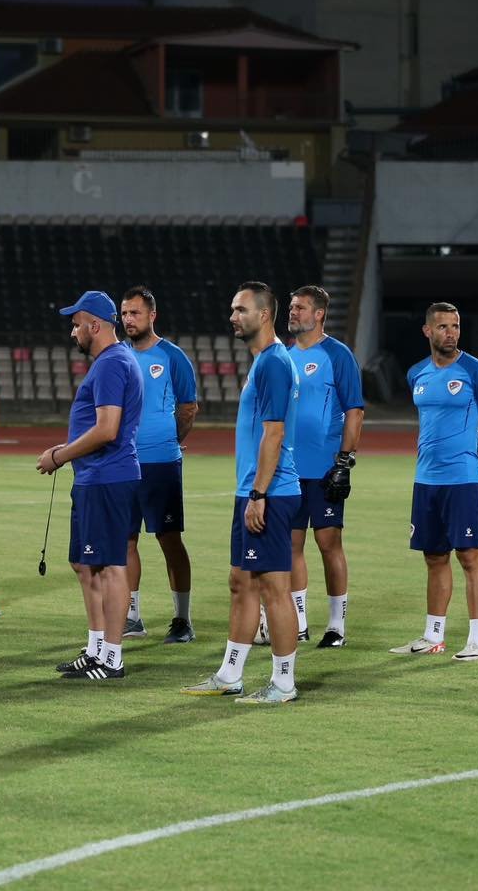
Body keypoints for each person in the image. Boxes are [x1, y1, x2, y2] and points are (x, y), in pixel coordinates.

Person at [183, 281, 303, 704]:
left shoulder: (272, 363)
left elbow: (274, 433)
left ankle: (284, 682)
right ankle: (230, 673)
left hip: (268, 491)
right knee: (242, 581)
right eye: (232, 309)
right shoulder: (265, 361)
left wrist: (258, 494)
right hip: (254, 489)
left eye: (241, 310)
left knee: (274, 586)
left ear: (264, 314)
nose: (233, 316)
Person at [39, 292, 144, 680]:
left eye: (76, 324)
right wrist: (67, 450)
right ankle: (96, 647)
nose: (73, 332)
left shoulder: (113, 364)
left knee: (111, 566)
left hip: (108, 478)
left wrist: (59, 457)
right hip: (94, 477)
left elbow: (107, 429)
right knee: (84, 563)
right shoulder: (111, 362)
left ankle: (112, 657)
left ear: (94, 325)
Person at [390, 303, 478, 662]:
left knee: (470, 557)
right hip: (426, 480)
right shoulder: (416, 374)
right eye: (443, 327)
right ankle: (432, 635)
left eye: (455, 326)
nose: (451, 332)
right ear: (427, 331)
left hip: (463, 480)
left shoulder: (476, 371)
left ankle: (476, 641)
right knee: (434, 557)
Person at [286, 286, 365, 648]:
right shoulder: (284, 356)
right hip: (288, 468)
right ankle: (298, 622)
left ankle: (336, 626)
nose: (293, 312)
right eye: (291, 307)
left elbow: (355, 410)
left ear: (319, 314)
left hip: (324, 468)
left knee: (328, 542)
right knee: (291, 544)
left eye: (300, 307)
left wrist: (344, 462)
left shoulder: (338, 354)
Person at [119, 286, 197, 644]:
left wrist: (169, 439)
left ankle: (182, 619)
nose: (128, 320)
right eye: (124, 314)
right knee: (126, 539)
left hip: (161, 463)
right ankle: (132, 616)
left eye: (135, 313)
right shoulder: (118, 356)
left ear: (152, 315)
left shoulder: (172, 356)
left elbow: (188, 407)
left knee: (169, 539)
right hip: (124, 462)